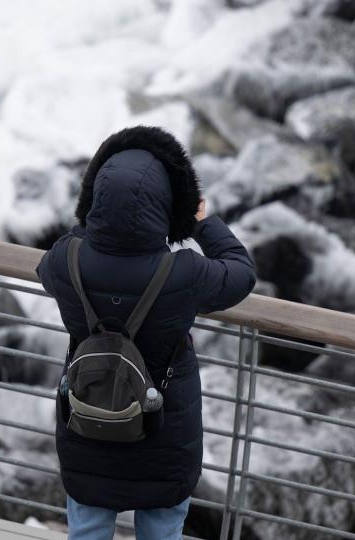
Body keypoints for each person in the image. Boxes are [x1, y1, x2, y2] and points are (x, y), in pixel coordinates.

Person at [35, 125, 257, 539]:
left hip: (88, 423)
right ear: (168, 204)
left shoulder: (66, 260)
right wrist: (201, 223)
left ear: (95, 197)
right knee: (161, 530)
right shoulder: (184, 273)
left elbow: (53, 259)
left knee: (86, 528)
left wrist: (90, 221)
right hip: (163, 432)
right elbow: (242, 274)